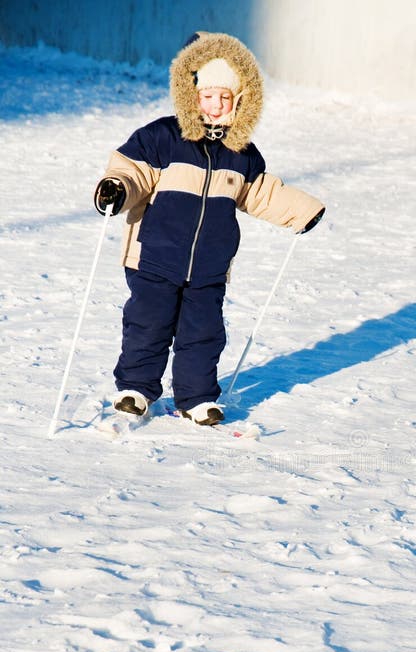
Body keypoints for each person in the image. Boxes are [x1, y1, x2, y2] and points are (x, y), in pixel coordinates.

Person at [94, 31, 325, 426]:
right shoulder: (162, 137)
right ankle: (136, 388)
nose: (216, 106)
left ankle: (196, 397)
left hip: (209, 265)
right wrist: (117, 188)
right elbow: (131, 172)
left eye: (225, 98)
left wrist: (299, 211)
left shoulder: (242, 154)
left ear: (240, 101)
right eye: (207, 96)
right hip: (154, 256)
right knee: (148, 324)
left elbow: (260, 192)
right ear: (191, 94)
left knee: (203, 333)